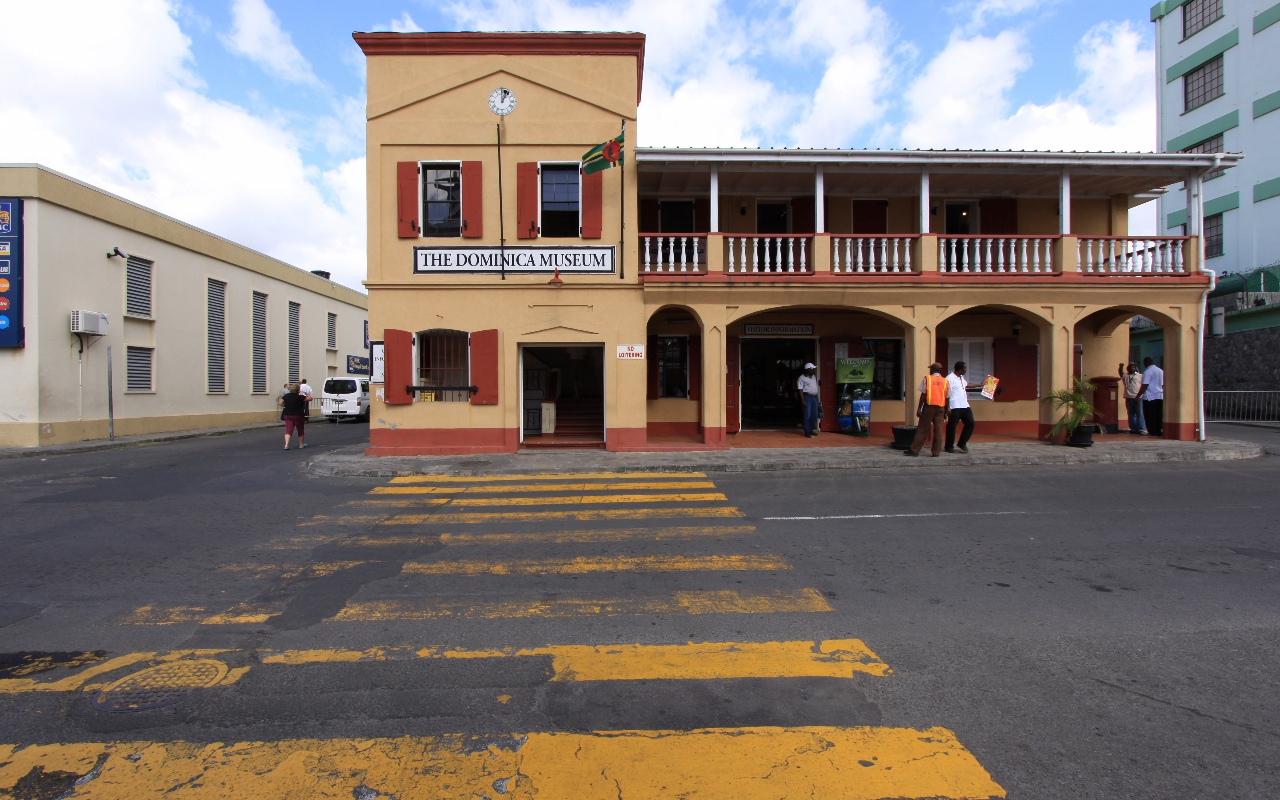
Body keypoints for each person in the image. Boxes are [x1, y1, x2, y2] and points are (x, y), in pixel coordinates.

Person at [906, 362, 949, 457]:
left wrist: (919, 409)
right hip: (941, 408)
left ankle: (915, 450)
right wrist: (946, 411)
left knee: (922, 429)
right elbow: (947, 397)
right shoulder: (945, 381)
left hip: (929, 407)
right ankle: (936, 452)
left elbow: (923, 395)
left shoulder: (927, 379)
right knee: (938, 430)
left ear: (932, 370)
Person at [944, 360, 975, 454]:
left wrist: (981, 385)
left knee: (971, 423)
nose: (966, 370)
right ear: (960, 369)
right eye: (965, 368)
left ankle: (962, 443)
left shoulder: (961, 377)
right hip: (954, 406)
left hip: (964, 405)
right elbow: (946, 393)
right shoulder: (949, 378)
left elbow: (967, 385)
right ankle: (949, 446)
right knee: (952, 426)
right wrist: (947, 407)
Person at [1139, 357, 1164, 437]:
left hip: (1149, 396)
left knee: (1149, 415)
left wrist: (1137, 396)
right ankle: (1158, 431)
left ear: (1146, 363)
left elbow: (1145, 385)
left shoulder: (1147, 372)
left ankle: (1152, 432)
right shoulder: (1160, 371)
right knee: (1158, 415)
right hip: (1159, 395)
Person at [279, 384, 309, 450]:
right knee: (300, 429)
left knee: (288, 430)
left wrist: (284, 406)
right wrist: (305, 393)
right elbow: (310, 399)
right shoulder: (300, 397)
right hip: (298, 415)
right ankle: (301, 444)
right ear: (298, 389)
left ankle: (286, 445)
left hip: (288, 414)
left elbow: (280, 402)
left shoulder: (286, 396)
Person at [1119, 362, 1146, 435]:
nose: (1132, 368)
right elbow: (1120, 373)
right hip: (1128, 397)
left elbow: (1144, 386)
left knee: (1139, 414)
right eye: (1130, 367)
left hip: (1138, 398)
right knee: (1131, 414)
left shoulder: (1140, 376)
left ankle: (1141, 429)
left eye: (1133, 367)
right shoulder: (1126, 376)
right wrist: (1121, 366)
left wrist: (1139, 396)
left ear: (1136, 368)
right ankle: (1133, 428)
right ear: (1127, 369)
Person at [797, 363, 821, 438]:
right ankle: (807, 431)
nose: (814, 370)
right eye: (812, 368)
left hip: (814, 397)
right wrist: (803, 400)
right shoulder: (801, 378)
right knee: (807, 415)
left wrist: (817, 398)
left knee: (815, 415)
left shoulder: (813, 376)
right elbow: (800, 389)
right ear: (808, 369)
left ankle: (811, 429)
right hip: (807, 397)